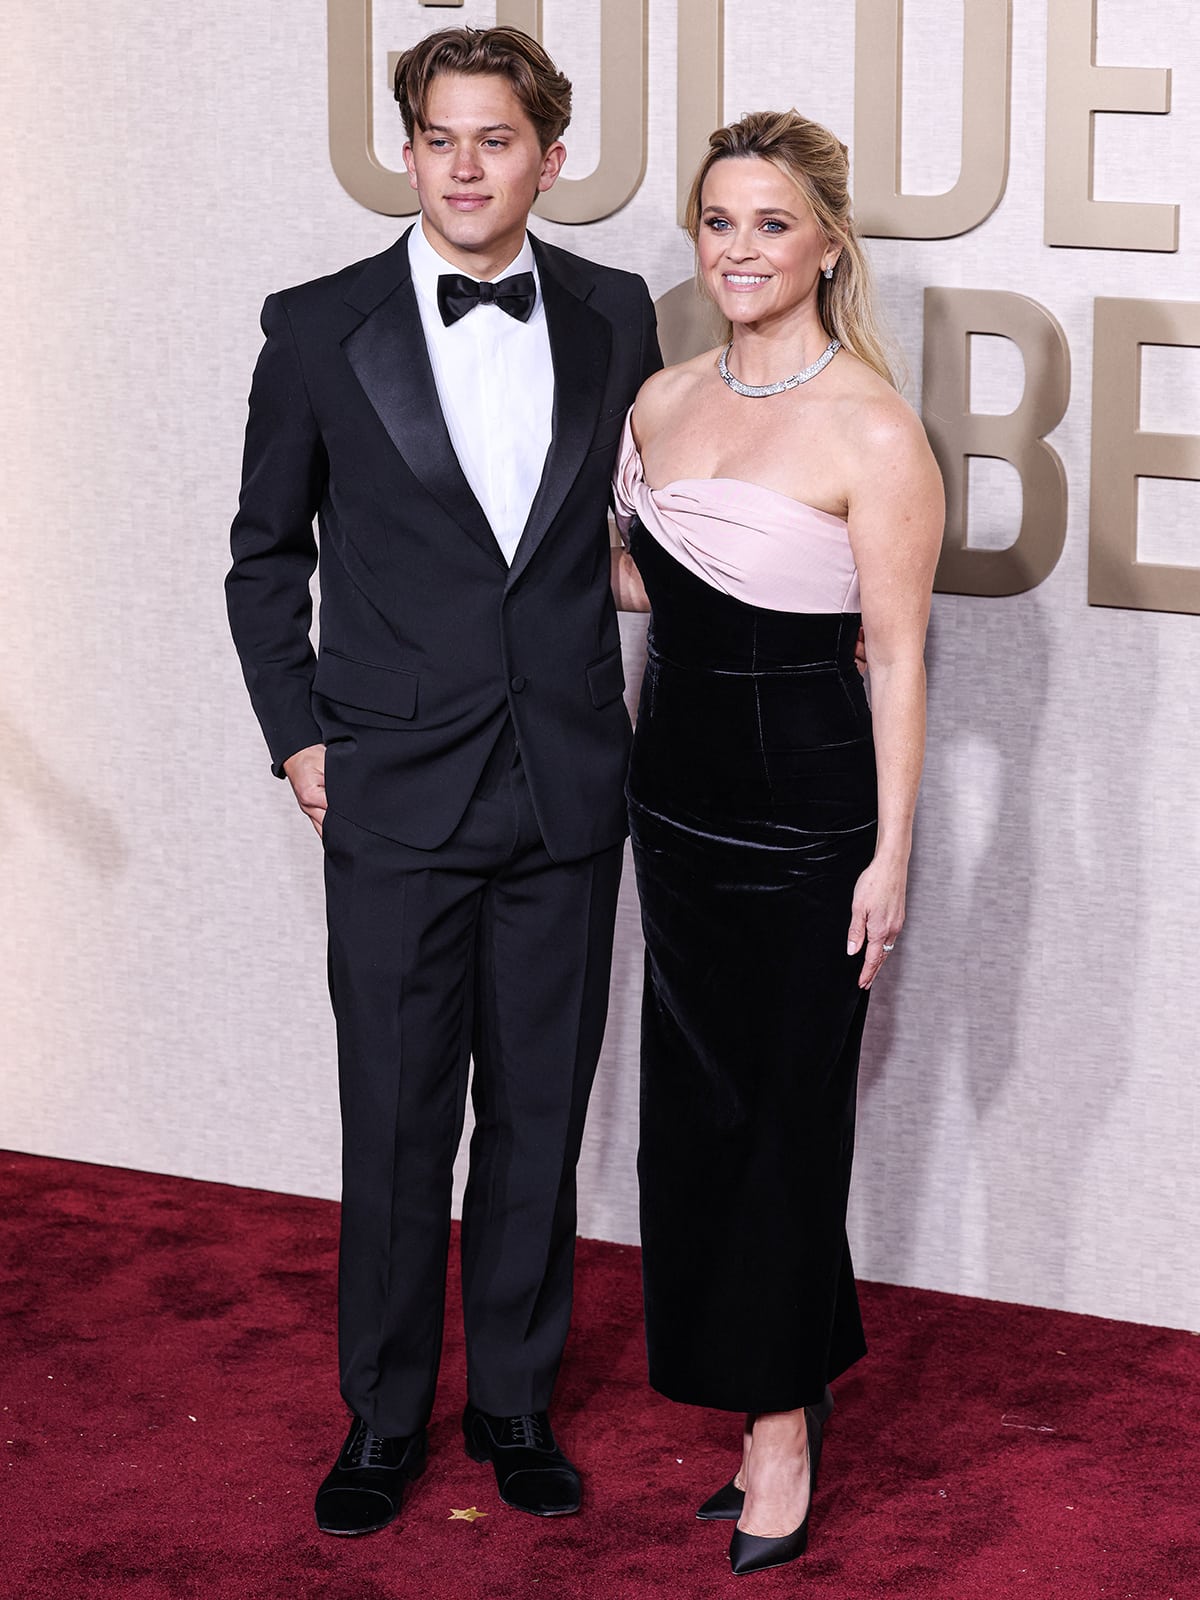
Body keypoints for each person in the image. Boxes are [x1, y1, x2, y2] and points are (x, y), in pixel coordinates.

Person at [226, 26, 660, 1536]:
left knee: (541, 1113)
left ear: (550, 155)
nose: (466, 168)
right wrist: (300, 736)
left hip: (562, 782)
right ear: (407, 151)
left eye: (498, 140)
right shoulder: (315, 325)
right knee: (398, 1119)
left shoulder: (614, 315)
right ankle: (383, 1420)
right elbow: (264, 557)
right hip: (394, 789)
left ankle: (515, 1405)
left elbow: (641, 534)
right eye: (440, 139)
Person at [611, 111, 944, 1575]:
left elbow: (901, 657)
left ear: (825, 244)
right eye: (719, 222)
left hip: (812, 825)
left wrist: (894, 857)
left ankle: (780, 1432)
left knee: (789, 1123)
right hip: (670, 812)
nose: (740, 249)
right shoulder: (660, 399)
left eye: (770, 224)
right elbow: (662, 585)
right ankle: (777, 1374)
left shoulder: (874, 424)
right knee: (692, 1124)